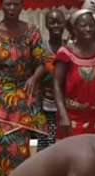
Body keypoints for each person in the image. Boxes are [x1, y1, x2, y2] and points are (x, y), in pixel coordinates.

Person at [0, 0, 51, 176]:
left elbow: (42, 61)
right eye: (7, 4)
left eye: (15, 4)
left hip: (25, 91)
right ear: (1, 6)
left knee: (23, 146)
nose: (11, 8)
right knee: (1, 146)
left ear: (22, 6)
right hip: (0, 92)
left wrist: (35, 77)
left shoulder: (32, 31)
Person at [54, 9, 95, 140]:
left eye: (91, 25)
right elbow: (57, 85)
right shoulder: (65, 54)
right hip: (73, 117)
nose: (88, 29)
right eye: (83, 25)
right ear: (74, 29)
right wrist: (63, 115)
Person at [37, 8, 66, 151]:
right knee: (45, 145)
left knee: (62, 144)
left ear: (64, 24)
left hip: (67, 106)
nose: (56, 25)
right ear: (47, 25)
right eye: (52, 22)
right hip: (45, 105)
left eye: (59, 22)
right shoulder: (41, 49)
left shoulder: (71, 47)